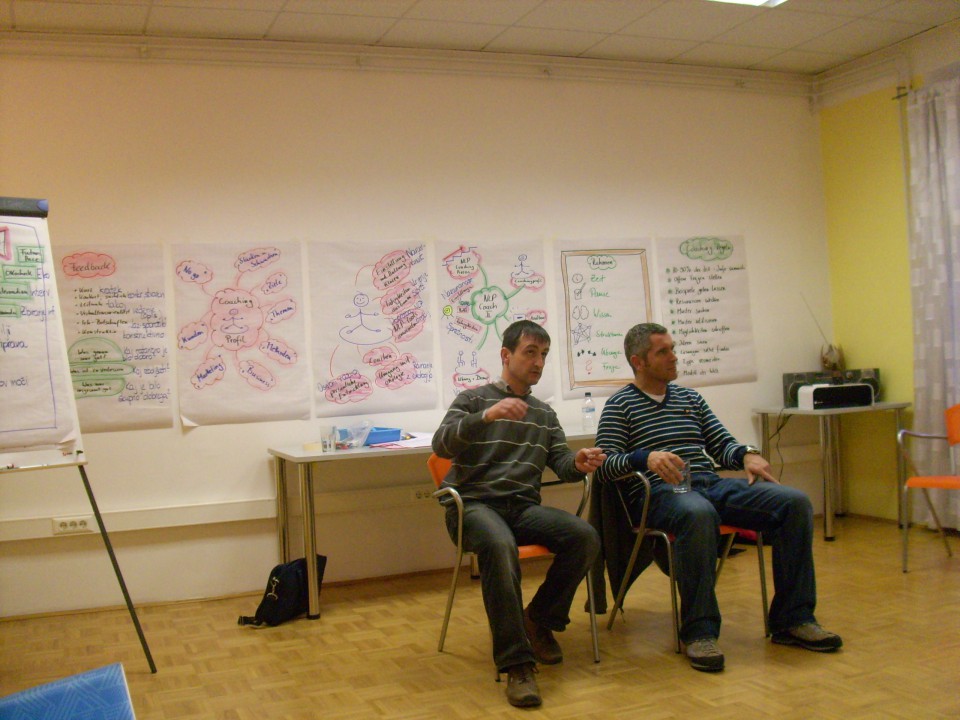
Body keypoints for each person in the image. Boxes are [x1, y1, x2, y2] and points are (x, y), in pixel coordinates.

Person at [593, 322, 841, 673]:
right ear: (639, 362)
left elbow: (722, 445)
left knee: (794, 503)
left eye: (672, 348)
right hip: (660, 494)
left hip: (708, 483)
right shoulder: (620, 405)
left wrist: (747, 455)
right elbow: (605, 467)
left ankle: (793, 620)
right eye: (663, 351)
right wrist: (645, 458)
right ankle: (699, 632)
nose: (674, 357)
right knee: (698, 513)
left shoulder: (690, 399)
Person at [432, 320, 605, 708]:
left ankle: (538, 620)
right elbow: (441, 445)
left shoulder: (544, 414)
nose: (538, 362)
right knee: (499, 543)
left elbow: (561, 462)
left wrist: (577, 461)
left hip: (522, 509)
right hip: (473, 507)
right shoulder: (473, 400)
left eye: (544, 354)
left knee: (585, 536)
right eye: (530, 352)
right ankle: (517, 664)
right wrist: (488, 416)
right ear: (506, 355)